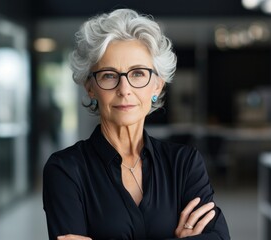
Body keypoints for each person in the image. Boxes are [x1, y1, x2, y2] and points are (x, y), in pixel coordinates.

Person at [43, 8, 230, 240]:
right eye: (109, 75)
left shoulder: (184, 163)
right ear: (90, 87)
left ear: (157, 86)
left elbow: (217, 237)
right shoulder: (65, 170)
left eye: (138, 73)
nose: (125, 90)